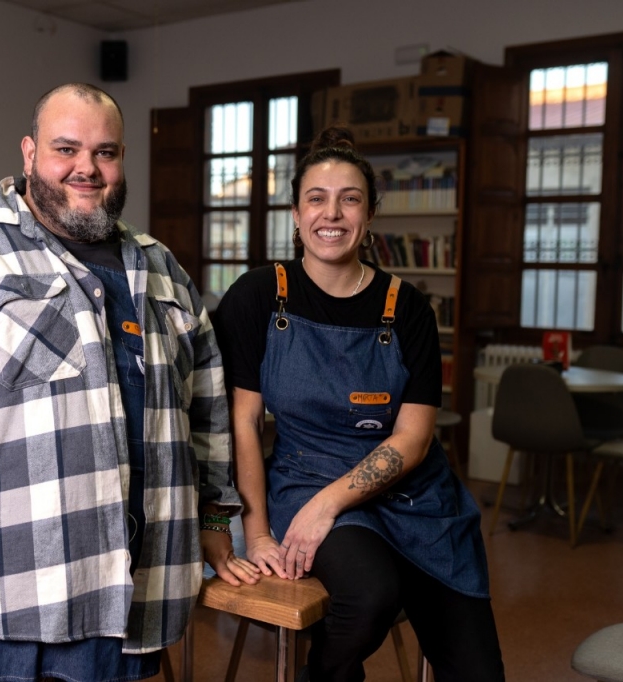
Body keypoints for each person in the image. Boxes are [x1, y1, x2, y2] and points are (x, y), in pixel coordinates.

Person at [0, 83, 259, 682]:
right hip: (8, 595)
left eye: (106, 152)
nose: (86, 168)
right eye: (66, 148)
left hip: (136, 599)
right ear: (29, 153)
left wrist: (218, 526)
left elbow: (208, 412)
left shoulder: (163, 269)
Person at [212, 126, 506, 682]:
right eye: (316, 199)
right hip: (304, 475)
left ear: (370, 217)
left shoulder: (409, 307)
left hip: (417, 497)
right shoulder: (258, 295)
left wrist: (327, 507)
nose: (333, 214)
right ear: (296, 215)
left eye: (350, 200)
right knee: (368, 597)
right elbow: (243, 422)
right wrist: (258, 533)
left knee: (479, 672)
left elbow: (413, 439)